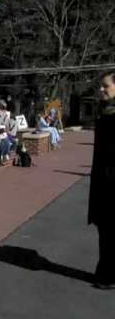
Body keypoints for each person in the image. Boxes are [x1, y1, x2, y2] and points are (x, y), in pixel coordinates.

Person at [89, 71, 115, 290]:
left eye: (105, 86)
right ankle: (106, 273)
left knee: (109, 232)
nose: (101, 89)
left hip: (111, 183)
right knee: (105, 231)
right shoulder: (105, 112)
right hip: (103, 180)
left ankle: (107, 276)